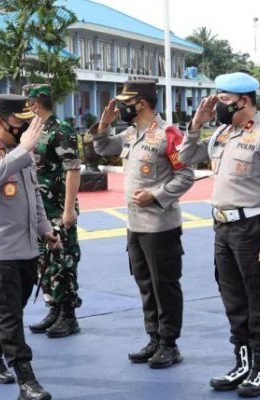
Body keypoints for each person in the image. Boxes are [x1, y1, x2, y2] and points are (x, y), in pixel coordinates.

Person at [179, 72, 260, 397]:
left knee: (258, 301)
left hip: (252, 229)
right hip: (223, 228)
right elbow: (182, 159)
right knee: (232, 299)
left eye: (224, 100)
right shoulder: (223, 134)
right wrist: (196, 125)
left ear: (245, 100)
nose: (218, 105)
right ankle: (242, 363)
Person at [91, 81, 194, 369]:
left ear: (143, 104)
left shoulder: (169, 134)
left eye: (127, 101)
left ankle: (169, 343)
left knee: (165, 285)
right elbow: (102, 148)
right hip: (135, 225)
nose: (121, 106)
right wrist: (104, 124)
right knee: (145, 284)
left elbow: (185, 176)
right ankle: (154, 337)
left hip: (161, 225)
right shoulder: (130, 133)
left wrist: (156, 195)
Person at [0, 94, 61, 400]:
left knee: (10, 310)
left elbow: (34, 195)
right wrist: (23, 150)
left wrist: (45, 229)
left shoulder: (22, 153)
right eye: (19, 125)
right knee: (10, 316)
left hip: (27, 248)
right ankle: (26, 380)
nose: (25, 131)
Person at [23, 84, 83, 339]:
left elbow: (73, 170)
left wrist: (68, 210)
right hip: (40, 210)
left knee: (63, 261)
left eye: (28, 103)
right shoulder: (36, 130)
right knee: (45, 263)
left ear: (36, 104)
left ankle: (68, 315)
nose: (26, 108)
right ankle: (53, 307)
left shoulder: (61, 130)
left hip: (58, 209)